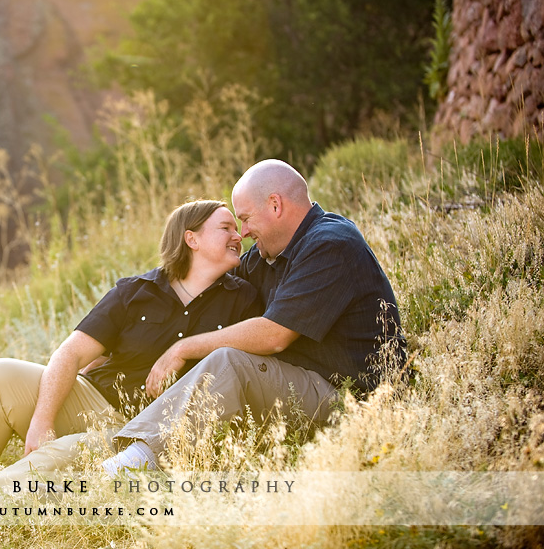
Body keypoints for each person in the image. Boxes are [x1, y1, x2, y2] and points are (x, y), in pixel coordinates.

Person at [104, 159, 405, 474]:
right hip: (297, 388)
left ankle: (127, 470)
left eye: (245, 219)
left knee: (229, 363)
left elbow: (274, 335)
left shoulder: (331, 243)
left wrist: (182, 348)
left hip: (352, 401)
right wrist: (118, 338)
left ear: (275, 205)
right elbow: (207, 284)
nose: (243, 233)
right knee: (224, 360)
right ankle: (131, 452)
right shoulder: (267, 257)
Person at [0, 199, 263, 483]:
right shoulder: (135, 292)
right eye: (226, 228)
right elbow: (71, 354)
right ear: (191, 238)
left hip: (142, 429)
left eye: (237, 229)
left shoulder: (244, 300)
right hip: (92, 399)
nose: (239, 236)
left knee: (65, 452)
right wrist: (43, 420)